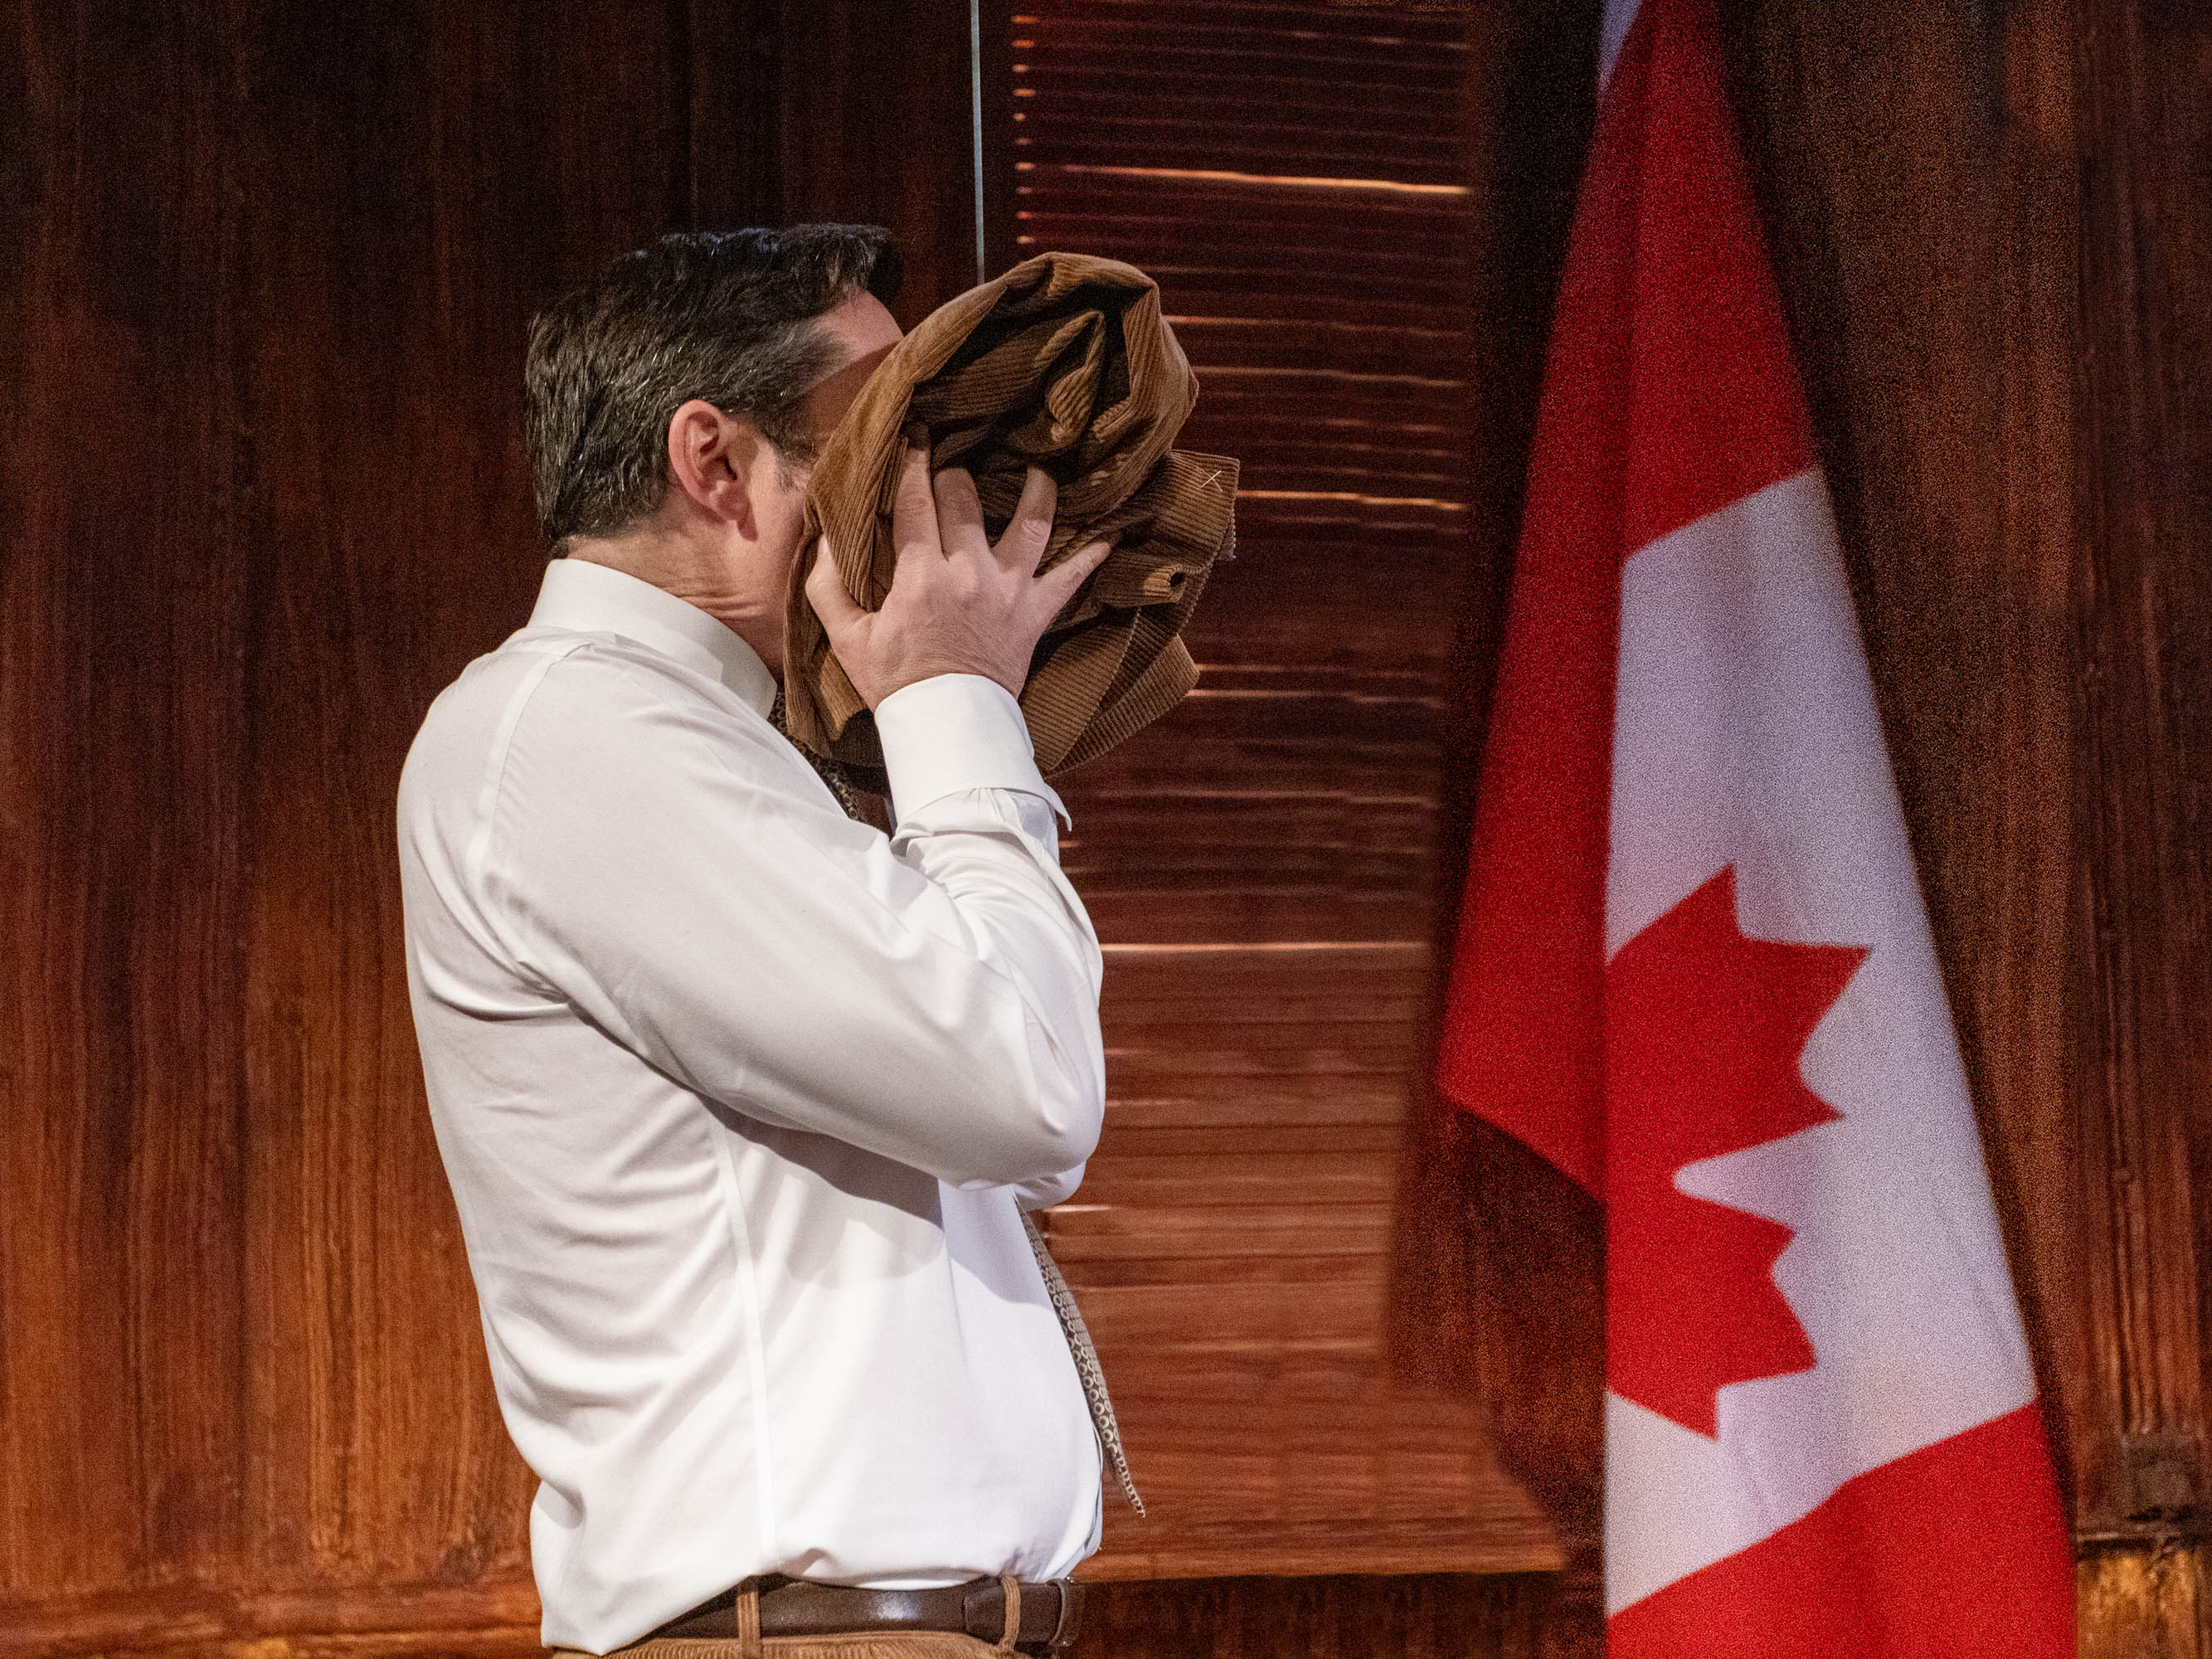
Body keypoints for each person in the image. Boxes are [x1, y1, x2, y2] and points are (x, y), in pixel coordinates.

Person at [396, 225, 1120, 1657]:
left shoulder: (723, 743)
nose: (925, 488)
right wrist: (957, 703)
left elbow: (1011, 1112)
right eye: (884, 433)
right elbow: (1031, 1091)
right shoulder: (577, 728)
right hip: (804, 1636)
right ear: (715, 463)